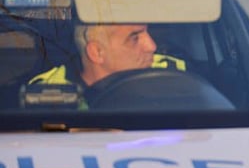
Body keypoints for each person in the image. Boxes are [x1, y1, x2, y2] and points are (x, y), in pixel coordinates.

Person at [27, 23, 184, 108]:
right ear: (97, 52)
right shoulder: (49, 91)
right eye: (134, 38)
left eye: (148, 33)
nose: (152, 46)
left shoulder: (172, 69)